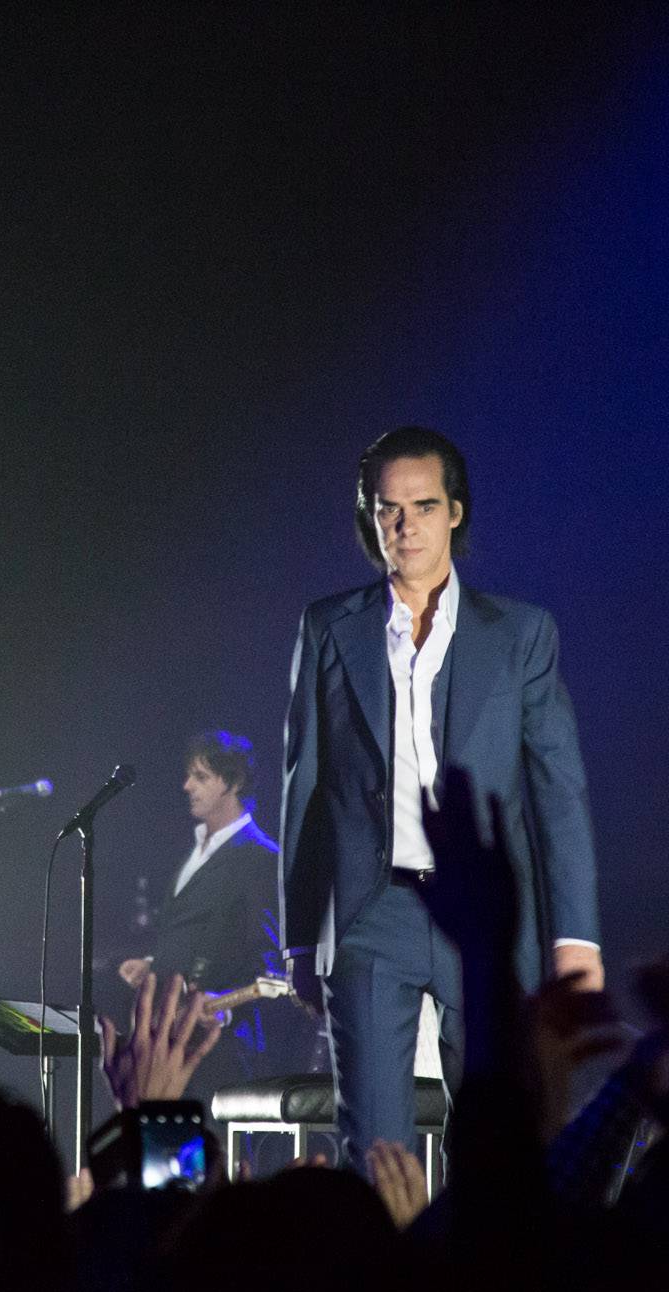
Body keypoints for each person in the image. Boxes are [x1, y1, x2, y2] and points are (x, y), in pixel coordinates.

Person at [280, 426, 600, 1171]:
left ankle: (486, 1285)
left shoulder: (520, 633)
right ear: (370, 515)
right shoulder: (330, 626)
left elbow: (558, 790)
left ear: (454, 510)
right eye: (388, 509)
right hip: (369, 913)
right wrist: (301, 932)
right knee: (376, 1151)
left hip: (482, 917)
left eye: (422, 506)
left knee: (502, 1141)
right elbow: (306, 785)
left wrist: (575, 936)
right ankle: (387, 1283)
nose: (404, 525)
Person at [118, 730, 278, 997]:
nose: (187, 786)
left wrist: (225, 1007)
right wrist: (153, 964)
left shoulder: (261, 857)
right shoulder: (195, 848)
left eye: (201, 777)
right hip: (172, 1022)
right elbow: (190, 936)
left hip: (222, 1030)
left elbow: (267, 957)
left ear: (234, 782)